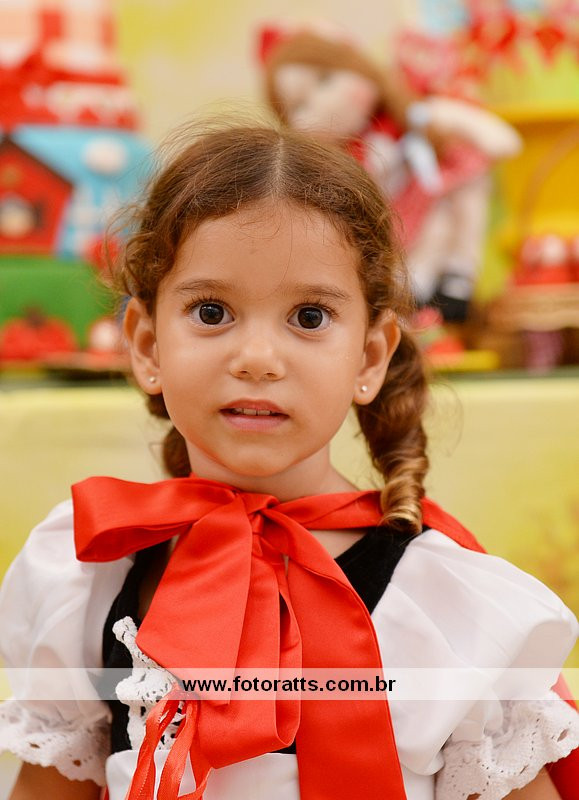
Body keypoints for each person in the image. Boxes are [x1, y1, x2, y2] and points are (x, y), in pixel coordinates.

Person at [0, 122, 577, 800]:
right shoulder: (93, 573)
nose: (257, 359)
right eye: (211, 311)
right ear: (147, 345)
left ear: (369, 356)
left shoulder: (445, 608)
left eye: (308, 317)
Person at [259, 25, 522, 323]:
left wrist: (485, 134)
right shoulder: (336, 166)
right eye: (300, 106)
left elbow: (466, 126)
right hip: (388, 229)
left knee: (448, 214)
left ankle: (456, 277)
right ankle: (415, 295)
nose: (323, 102)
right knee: (405, 258)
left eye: (326, 80)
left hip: (428, 202)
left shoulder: (408, 116)